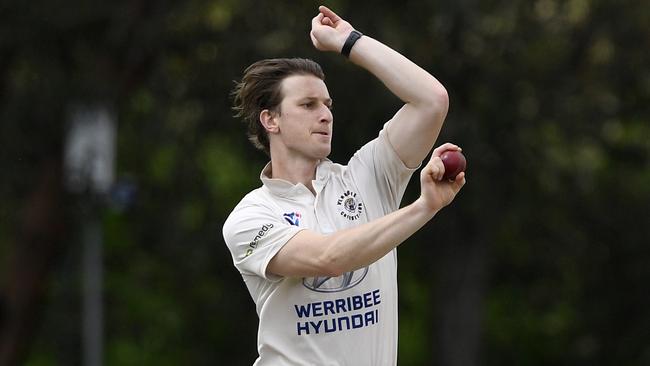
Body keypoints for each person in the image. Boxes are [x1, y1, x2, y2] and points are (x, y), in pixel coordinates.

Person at [223, 5, 466, 366]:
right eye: (308, 104)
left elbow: (432, 101)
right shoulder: (250, 217)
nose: (325, 114)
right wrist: (423, 207)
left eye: (327, 104)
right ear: (270, 119)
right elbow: (328, 259)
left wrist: (348, 41)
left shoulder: (367, 175)